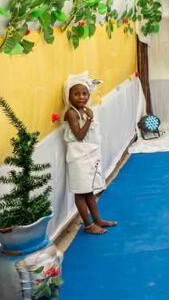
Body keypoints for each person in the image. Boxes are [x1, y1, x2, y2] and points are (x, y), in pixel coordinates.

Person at [63, 73, 116, 235]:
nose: (81, 97)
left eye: (84, 93)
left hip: (86, 155)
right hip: (78, 157)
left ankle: (97, 219)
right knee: (81, 192)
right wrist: (89, 120)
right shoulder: (72, 113)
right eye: (76, 94)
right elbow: (79, 135)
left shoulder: (83, 110)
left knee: (89, 191)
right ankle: (87, 225)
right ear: (68, 95)